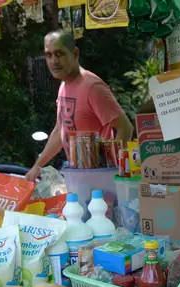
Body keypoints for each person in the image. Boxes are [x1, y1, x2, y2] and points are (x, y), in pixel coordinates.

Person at [26, 30, 134, 181]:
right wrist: (37, 166)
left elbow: (126, 128)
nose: (53, 61)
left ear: (75, 53)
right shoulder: (64, 85)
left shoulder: (93, 87)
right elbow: (59, 131)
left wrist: (106, 169)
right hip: (78, 177)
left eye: (59, 54)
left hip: (99, 183)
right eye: (48, 55)